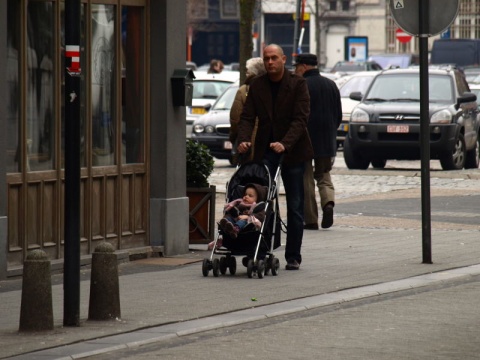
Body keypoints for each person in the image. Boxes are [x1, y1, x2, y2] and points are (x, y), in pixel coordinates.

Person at [237, 44, 313, 270]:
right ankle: (261, 247)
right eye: (266, 58)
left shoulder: (298, 84)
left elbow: (301, 119)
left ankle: (293, 255)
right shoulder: (257, 85)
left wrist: (285, 143)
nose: (270, 62)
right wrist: (243, 140)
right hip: (265, 151)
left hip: (293, 150)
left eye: (274, 58)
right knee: (263, 201)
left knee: (296, 204)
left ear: (283, 59)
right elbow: (247, 117)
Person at [293, 53, 342, 230]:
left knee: (306, 179)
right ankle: (328, 202)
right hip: (327, 140)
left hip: (305, 140)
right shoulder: (331, 85)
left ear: (304, 66)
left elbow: (297, 115)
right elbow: (338, 115)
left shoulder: (301, 85)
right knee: (324, 174)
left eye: (297, 66)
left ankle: (311, 220)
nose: (295, 70)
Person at [229, 57, 267, 164]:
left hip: (247, 142)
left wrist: (234, 137)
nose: (246, 73)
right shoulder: (271, 88)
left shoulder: (244, 90)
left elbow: (236, 118)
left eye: (247, 71)